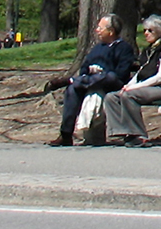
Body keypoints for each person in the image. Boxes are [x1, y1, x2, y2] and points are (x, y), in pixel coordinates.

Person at [43, 15, 137, 147]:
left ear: (111, 31)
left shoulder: (124, 48)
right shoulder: (97, 48)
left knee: (108, 76)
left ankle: (71, 80)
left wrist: (101, 71)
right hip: (91, 81)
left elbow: (121, 74)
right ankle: (65, 135)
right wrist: (91, 70)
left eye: (100, 28)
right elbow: (84, 68)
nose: (97, 30)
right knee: (72, 90)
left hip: (112, 84)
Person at [102, 15, 161, 147]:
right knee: (111, 97)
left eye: (150, 30)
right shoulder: (149, 50)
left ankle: (138, 135)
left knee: (129, 95)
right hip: (146, 87)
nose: (146, 33)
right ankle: (122, 132)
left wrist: (135, 88)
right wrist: (128, 86)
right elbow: (140, 73)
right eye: (145, 30)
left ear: (160, 31)